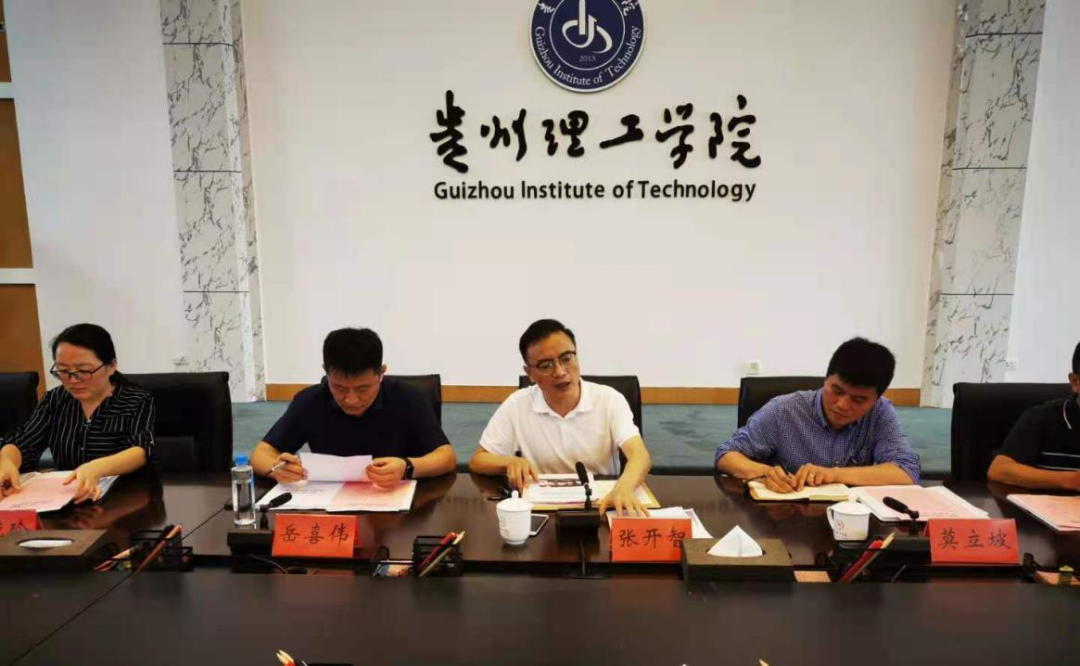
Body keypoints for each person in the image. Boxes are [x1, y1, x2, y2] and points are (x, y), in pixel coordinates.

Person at [469, 319, 652, 515]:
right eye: (546, 365)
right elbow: (478, 460)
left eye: (566, 358)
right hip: (544, 511)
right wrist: (509, 462)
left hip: (602, 507)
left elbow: (639, 455)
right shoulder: (517, 405)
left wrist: (623, 488)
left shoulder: (609, 400)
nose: (560, 371)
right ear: (530, 373)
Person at [250, 328, 456, 487]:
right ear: (325, 372)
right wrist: (276, 469)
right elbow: (261, 454)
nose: (351, 400)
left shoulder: (409, 398)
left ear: (381, 373)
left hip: (399, 506)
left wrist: (407, 467)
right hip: (329, 503)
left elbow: (446, 457)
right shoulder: (310, 401)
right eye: (339, 388)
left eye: (362, 389)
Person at [715, 337, 920, 492]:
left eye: (858, 400)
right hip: (786, 518)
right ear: (826, 379)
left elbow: (906, 472)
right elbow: (726, 455)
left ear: (876, 399)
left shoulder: (880, 412)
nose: (842, 405)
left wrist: (833, 474)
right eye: (837, 390)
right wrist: (765, 473)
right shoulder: (784, 410)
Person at [0, 323, 155, 503]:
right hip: (68, 500)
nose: (73, 380)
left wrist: (97, 467)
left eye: (83, 371)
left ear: (111, 366)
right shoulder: (55, 400)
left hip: (125, 501)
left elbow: (141, 449)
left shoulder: (136, 399)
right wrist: (7, 462)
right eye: (64, 371)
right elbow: (22, 442)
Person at [987, 341, 1080, 490]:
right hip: (1049, 503)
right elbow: (999, 470)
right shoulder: (1043, 418)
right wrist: (1070, 480)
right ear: (1075, 382)